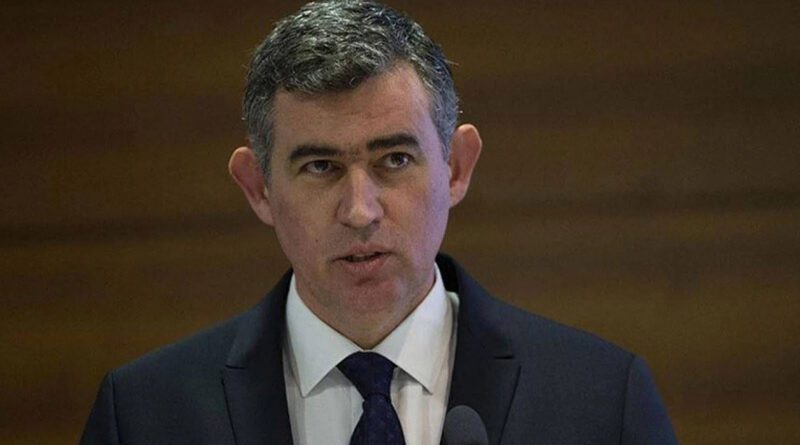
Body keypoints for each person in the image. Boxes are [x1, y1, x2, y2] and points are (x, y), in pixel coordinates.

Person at [80, 1, 678, 444]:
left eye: (395, 160)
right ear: (258, 188)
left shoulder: (602, 400)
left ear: (456, 168)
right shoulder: (144, 415)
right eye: (320, 167)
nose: (360, 211)